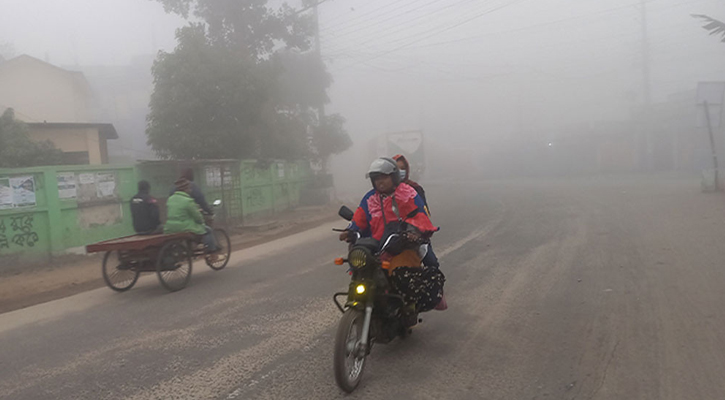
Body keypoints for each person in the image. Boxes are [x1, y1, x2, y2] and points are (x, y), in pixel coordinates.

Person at [341, 157, 446, 311]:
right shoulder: (370, 197)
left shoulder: (408, 194)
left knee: (403, 276)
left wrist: (412, 233)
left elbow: (419, 217)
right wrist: (350, 231)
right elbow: (360, 217)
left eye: (384, 177)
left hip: (401, 245)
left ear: (394, 177)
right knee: (361, 269)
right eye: (376, 178)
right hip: (376, 247)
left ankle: (409, 306)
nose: (380, 182)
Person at [392, 154, 440, 269]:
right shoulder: (382, 192)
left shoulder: (415, 189)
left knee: (432, 263)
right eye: (397, 168)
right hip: (390, 236)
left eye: (402, 168)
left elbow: (423, 214)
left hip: (413, 235)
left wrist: (415, 232)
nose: (400, 171)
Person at [165, 178, 219, 255]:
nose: (190, 190)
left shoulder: (170, 199)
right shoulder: (188, 200)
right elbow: (198, 218)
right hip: (185, 227)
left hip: (170, 227)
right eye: (189, 188)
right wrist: (202, 219)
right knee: (208, 230)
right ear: (186, 189)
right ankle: (212, 252)